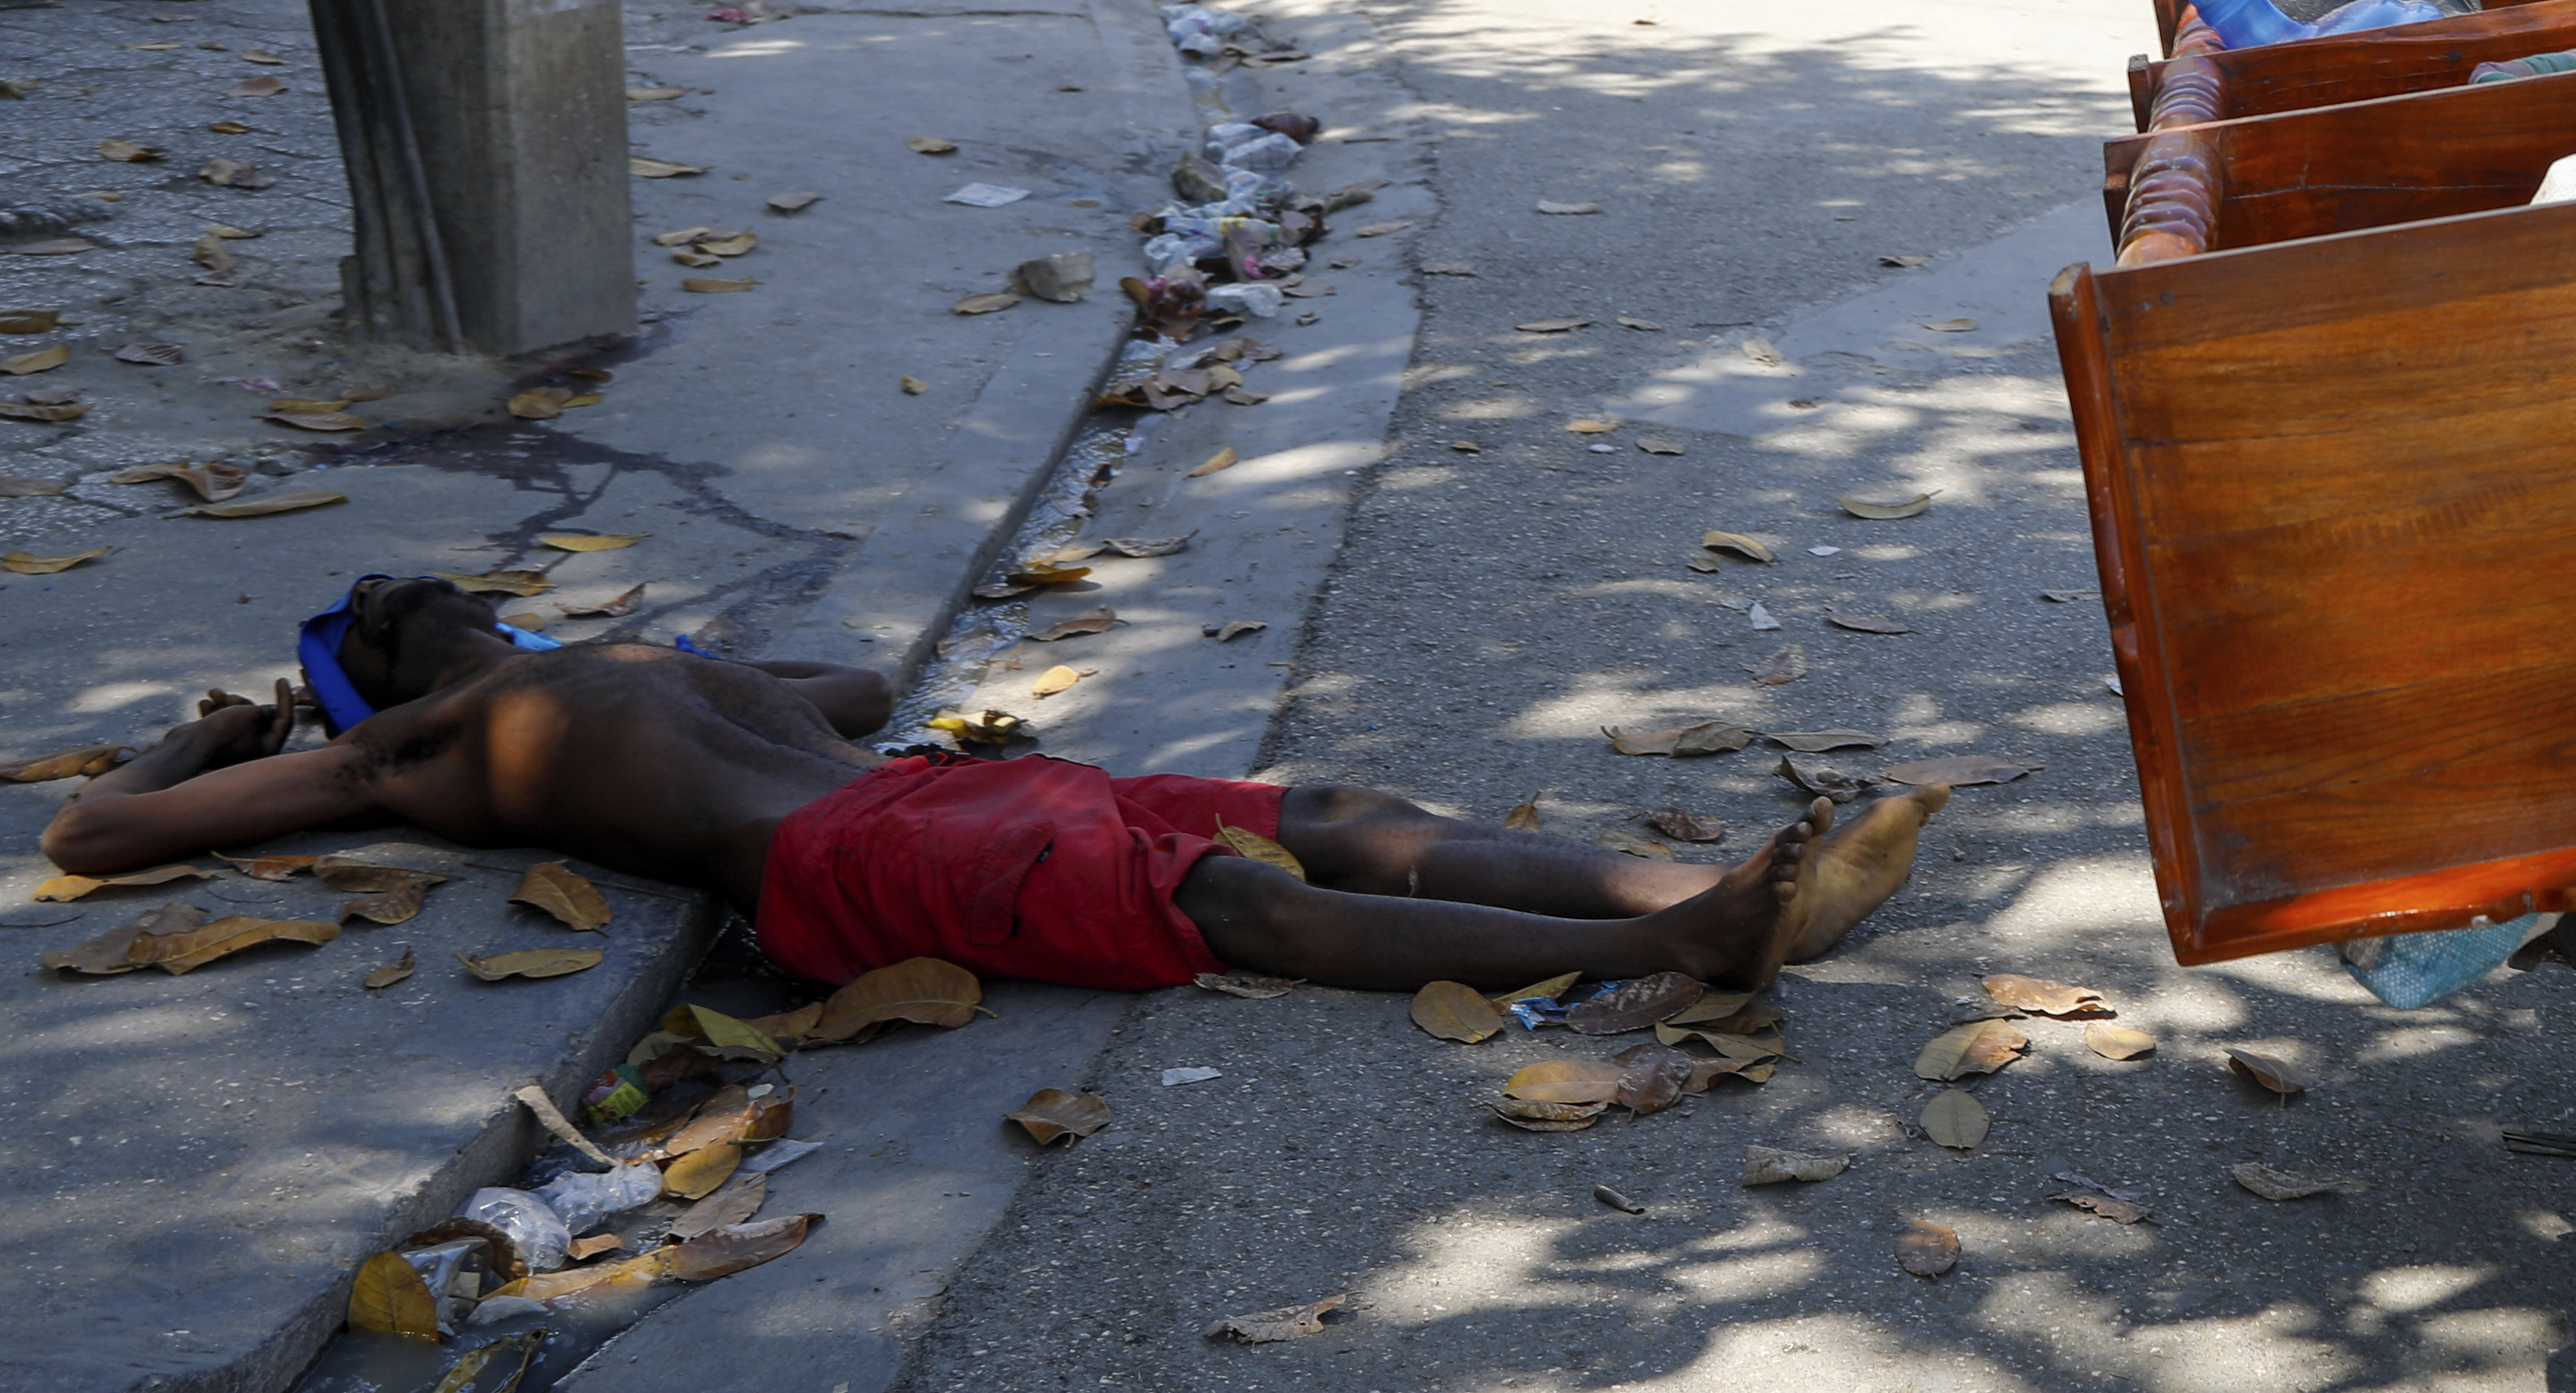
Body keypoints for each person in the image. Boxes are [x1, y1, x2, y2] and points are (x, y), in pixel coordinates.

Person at [40, 577, 1937, 999]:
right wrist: (216, 739)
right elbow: (90, 836)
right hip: (836, 855)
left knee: (1318, 803)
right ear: (373, 681)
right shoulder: (416, 745)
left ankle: (1674, 881)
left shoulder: (608, 661)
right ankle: (1686, 940)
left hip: (915, 788)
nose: (399, 590)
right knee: (1228, 904)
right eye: (374, 614)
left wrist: (683, 667)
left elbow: (859, 686)